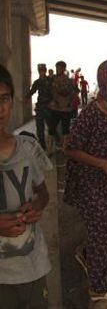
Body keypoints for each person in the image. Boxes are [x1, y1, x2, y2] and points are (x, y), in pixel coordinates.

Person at [63, 59, 107, 301]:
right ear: (103, 81)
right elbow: (69, 149)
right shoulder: (92, 112)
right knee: (103, 226)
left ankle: (89, 253)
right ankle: (98, 287)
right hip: (85, 176)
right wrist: (102, 162)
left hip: (104, 173)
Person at [0, 64, 52, 308]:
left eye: (4, 99)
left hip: (32, 269)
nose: (0, 108)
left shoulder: (28, 148)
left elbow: (43, 193)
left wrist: (37, 206)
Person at [49, 60, 77, 153]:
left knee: (65, 130)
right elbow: (50, 92)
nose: (57, 69)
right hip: (55, 108)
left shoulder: (69, 81)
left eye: (59, 68)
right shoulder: (52, 79)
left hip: (65, 109)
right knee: (51, 129)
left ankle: (64, 149)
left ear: (64, 69)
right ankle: (50, 149)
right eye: (57, 67)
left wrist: (68, 100)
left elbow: (75, 92)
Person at [26, 63, 52, 149]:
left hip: (49, 107)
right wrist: (27, 97)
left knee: (52, 127)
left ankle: (54, 144)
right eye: (40, 71)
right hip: (41, 106)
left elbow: (54, 92)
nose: (41, 72)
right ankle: (43, 145)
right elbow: (32, 91)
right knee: (40, 128)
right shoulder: (37, 82)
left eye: (43, 70)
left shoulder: (50, 80)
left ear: (45, 70)